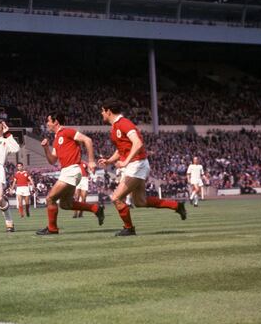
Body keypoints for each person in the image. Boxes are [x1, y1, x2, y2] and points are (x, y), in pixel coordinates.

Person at [97, 99, 186, 237]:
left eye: (102, 110)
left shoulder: (124, 123)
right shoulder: (115, 127)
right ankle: (176, 206)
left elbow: (138, 143)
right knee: (140, 202)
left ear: (108, 111)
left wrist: (125, 162)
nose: (101, 113)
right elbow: (121, 150)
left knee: (116, 198)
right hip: (135, 165)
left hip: (137, 164)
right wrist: (109, 161)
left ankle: (129, 228)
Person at [35, 113, 104, 235]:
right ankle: (95, 208)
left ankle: (52, 229)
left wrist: (91, 161)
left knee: (50, 198)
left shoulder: (67, 132)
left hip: (72, 170)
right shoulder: (56, 139)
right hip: (67, 171)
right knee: (66, 204)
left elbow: (87, 140)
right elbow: (52, 160)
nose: (47, 123)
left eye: (48, 121)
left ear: (56, 122)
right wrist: (46, 148)